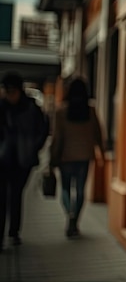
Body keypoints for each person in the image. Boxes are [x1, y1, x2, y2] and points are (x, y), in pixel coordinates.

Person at [50, 77, 105, 237]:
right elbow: (98, 133)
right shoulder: (90, 111)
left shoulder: (61, 112)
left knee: (65, 189)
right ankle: (75, 220)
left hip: (65, 157)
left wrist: (53, 157)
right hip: (84, 157)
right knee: (80, 190)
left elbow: (57, 138)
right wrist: (100, 151)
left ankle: (70, 214)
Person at [0, 72, 49, 250]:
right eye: (6, 90)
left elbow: (43, 129)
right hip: (3, 159)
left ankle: (14, 232)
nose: (9, 94)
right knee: (2, 198)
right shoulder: (2, 107)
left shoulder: (31, 108)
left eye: (12, 90)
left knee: (16, 196)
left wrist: (34, 147)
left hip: (23, 159)